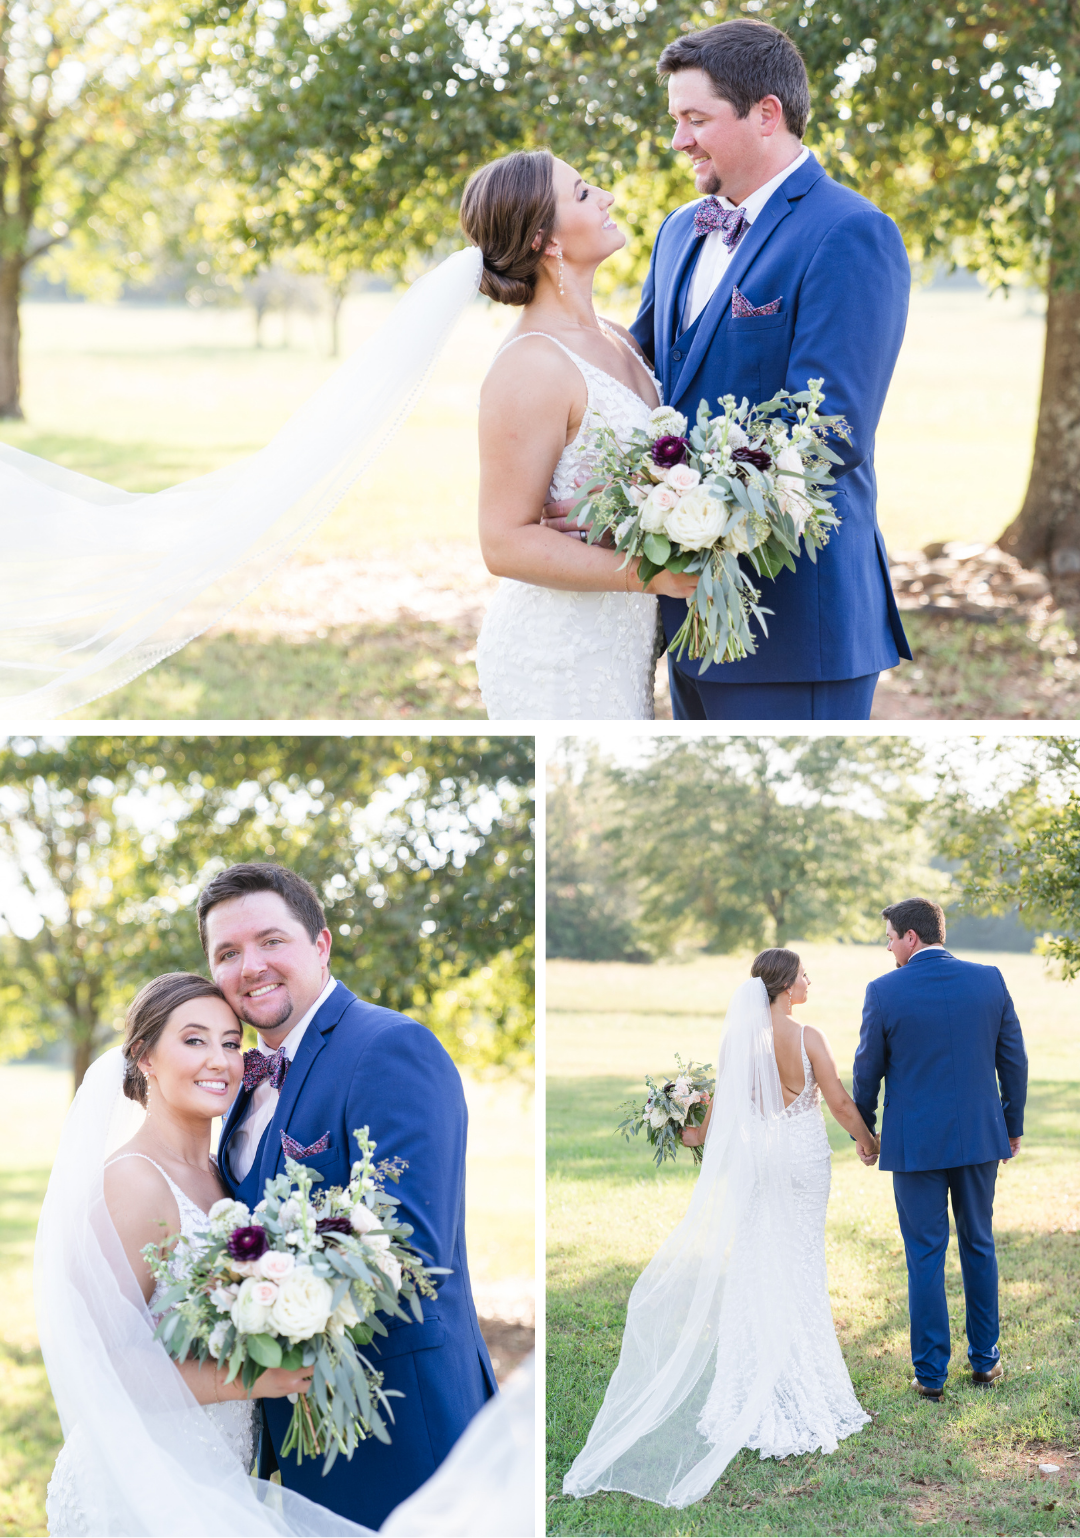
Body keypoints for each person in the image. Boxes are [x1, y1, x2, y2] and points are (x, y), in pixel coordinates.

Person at [548, 19, 912, 720]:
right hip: (684, 620)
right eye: (675, 120)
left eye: (695, 119)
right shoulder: (681, 230)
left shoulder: (850, 232)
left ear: (766, 114)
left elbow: (829, 434)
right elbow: (643, 376)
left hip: (798, 624)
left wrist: (648, 511)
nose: (678, 139)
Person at [202, 862, 496, 1529]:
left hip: (401, 1435)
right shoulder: (239, 1082)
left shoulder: (391, 1048)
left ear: (321, 945)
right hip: (292, 1446)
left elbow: (409, 1253)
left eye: (270, 941)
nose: (251, 966)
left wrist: (253, 1298)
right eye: (228, 953)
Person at [563, 948, 875, 1510]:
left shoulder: (738, 1042)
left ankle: (749, 1389)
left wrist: (679, 1112)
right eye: (804, 973)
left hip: (759, 1166)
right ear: (784, 985)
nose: (810, 980)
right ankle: (803, 1386)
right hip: (803, 1163)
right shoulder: (810, 1038)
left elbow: (702, 1135)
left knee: (757, 1264)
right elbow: (840, 1101)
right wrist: (867, 1140)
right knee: (802, 1267)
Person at [462, 147, 698, 720]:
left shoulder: (619, 338)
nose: (608, 198)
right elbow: (503, 541)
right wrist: (654, 575)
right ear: (547, 240)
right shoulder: (531, 365)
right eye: (584, 192)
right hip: (556, 654)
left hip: (623, 646)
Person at [853, 898, 1028, 1401]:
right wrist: (1010, 1124)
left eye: (889, 937)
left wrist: (864, 1131)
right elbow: (1013, 1060)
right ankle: (986, 1362)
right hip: (979, 1137)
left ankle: (930, 1375)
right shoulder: (989, 979)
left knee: (924, 1254)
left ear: (911, 936)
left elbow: (868, 1071)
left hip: (915, 1145)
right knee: (979, 1242)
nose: (887, 947)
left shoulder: (884, 991)